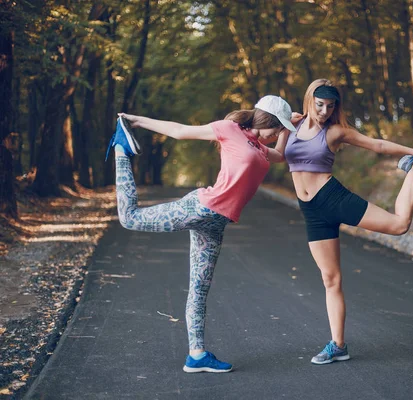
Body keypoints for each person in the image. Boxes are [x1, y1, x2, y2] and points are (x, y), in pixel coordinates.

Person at [105, 95, 296, 373]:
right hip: (201, 208)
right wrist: (136, 121)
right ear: (266, 120)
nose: (278, 134)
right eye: (277, 128)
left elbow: (280, 156)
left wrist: (291, 127)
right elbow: (181, 131)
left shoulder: (259, 147)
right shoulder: (230, 130)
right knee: (130, 218)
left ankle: (196, 354)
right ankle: (121, 151)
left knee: (199, 288)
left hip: (216, 224)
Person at [277, 79, 413, 365]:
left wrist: (412, 151)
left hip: (332, 198)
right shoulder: (291, 125)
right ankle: (338, 345)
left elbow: (376, 144)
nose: (324, 111)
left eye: (330, 106)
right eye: (320, 104)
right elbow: (261, 128)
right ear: (310, 100)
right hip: (310, 210)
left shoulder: (335, 131)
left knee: (400, 225)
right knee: (330, 279)